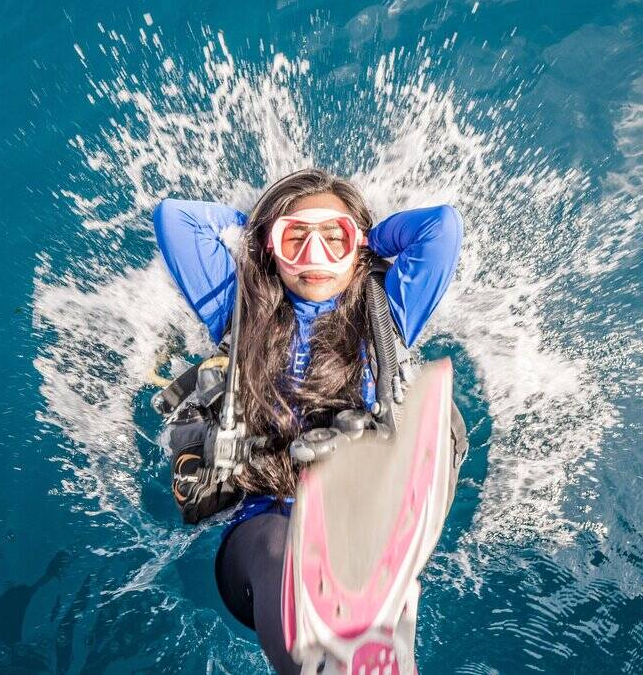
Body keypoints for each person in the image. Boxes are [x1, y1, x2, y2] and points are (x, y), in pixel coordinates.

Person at [153, 168, 463, 673]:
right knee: (282, 546)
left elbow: (442, 228)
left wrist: (370, 239)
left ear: (356, 248)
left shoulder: (388, 313)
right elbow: (175, 219)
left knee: (352, 535)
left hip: (358, 516)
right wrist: (259, 231)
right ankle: (326, 663)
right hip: (260, 532)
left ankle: (374, 631)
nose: (314, 258)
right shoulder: (239, 309)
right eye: (294, 240)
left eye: (333, 239)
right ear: (271, 249)